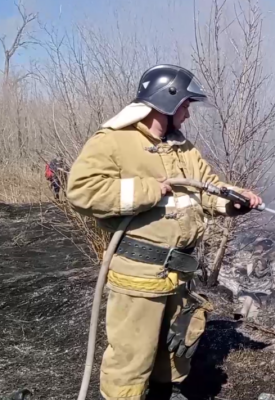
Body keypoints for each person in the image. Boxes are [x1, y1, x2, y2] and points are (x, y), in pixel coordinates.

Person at [65, 64, 263, 400]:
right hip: (139, 277)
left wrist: (234, 201)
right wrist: (148, 190)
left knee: (173, 352)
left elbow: (206, 189)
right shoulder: (114, 141)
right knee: (131, 358)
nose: (188, 113)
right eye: (185, 104)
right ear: (166, 102)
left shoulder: (183, 148)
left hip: (178, 276)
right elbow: (81, 191)